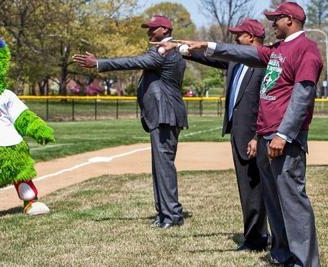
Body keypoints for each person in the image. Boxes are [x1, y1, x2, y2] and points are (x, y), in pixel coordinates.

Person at [158, 2, 322, 266]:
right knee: (274, 201)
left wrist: (284, 134)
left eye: (276, 19)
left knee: (293, 202)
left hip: (284, 139)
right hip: (268, 135)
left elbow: (303, 96)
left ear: (290, 20)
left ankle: (305, 261)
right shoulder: (277, 49)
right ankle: (282, 254)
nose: (272, 24)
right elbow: (244, 53)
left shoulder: (306, 49)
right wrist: (207, 46)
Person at [73, 15, 188, 229]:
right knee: (159, 166)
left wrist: (99, 63)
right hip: (162, 115)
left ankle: (172, 215)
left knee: (164, 167)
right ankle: (164, 212)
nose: (148, 32)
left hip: (166, 115)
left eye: (152, 29)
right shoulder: (166, 49)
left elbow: (134, 61)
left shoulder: (164, 51)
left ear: (164, 29)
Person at [183, 19, 269, 252]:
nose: (235, 38)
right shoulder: (236, 61)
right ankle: (256, 235)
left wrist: (257, 136)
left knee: (254, 188)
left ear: (251, 37)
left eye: (239, 35)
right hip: (238, 133)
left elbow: (266, 105)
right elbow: (210, 57)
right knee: (247, 188)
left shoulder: (264, 63)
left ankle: (257, 239)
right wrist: (186, 50)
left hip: (252, 136)